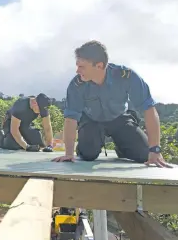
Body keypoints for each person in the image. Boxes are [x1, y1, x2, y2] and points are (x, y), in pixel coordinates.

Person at [52, 40, 171, 168]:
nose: (77, 71)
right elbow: (71, 118)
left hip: (120, 118)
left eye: (82, 67)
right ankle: (88, 146)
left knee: (143, 154)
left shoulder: (126, 76)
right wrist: (69, 153)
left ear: (99, 66)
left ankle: (123, 148)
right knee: (88, 155)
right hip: (92, 121)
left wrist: (155, 150)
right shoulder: (76, 85)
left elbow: (149, 109)